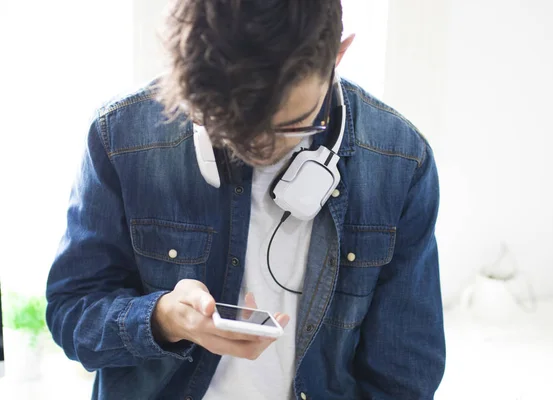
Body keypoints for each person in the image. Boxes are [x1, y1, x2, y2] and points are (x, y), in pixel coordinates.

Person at [46, 1, 445, 399]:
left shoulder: (400, 161)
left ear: (337, 56)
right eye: (228, 120)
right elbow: (71, 311)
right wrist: (163, 319)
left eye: (289, 124)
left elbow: (404, 377)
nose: (259, 145)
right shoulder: (122, 135)